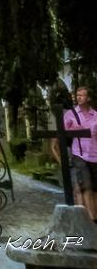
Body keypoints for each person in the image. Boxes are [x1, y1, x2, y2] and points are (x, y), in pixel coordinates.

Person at [52, 86, 97, 221]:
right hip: (79, 155)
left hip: (95, 156)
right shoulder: (70, 115)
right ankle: (89, 220)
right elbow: (57, 138)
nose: (78, 97)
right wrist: (61, 160)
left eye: (82, 95)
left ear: (88, 98)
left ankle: (94, 218)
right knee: (85, 187)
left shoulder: (95, 115)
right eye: (77, 95)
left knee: (94, 189)